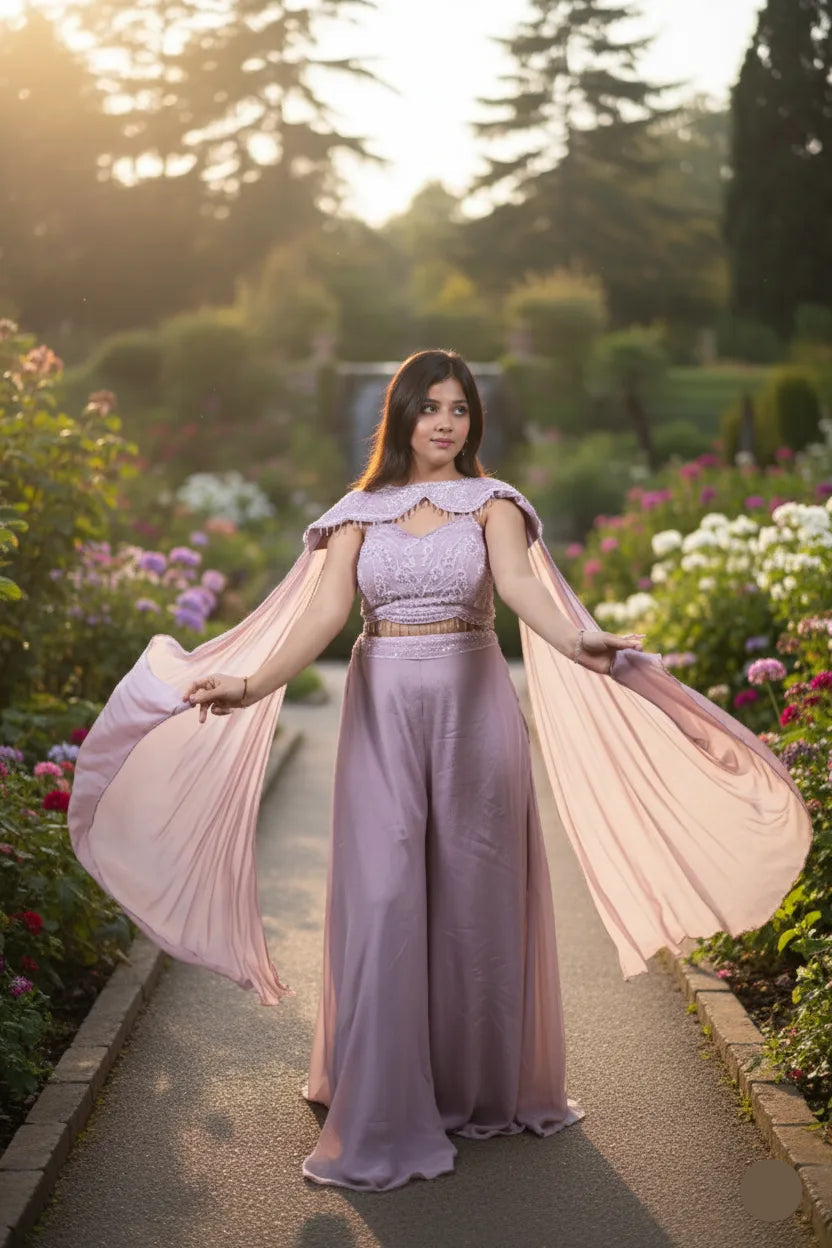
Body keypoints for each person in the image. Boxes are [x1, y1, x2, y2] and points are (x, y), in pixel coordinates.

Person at [68, 349, 813, 1194]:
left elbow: (524, 589)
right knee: (384, 896)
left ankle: (473, 1086)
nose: (446, 422)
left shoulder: (493, 505)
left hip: (474, 718)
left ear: (473, 421)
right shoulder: (358, 513)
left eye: (460, 408)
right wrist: (246, 683)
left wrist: (580, 641)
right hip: (382, 712)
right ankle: (382, 1096)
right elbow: (320, 614)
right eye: (430, 407)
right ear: (402, 417)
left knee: (473, 897)